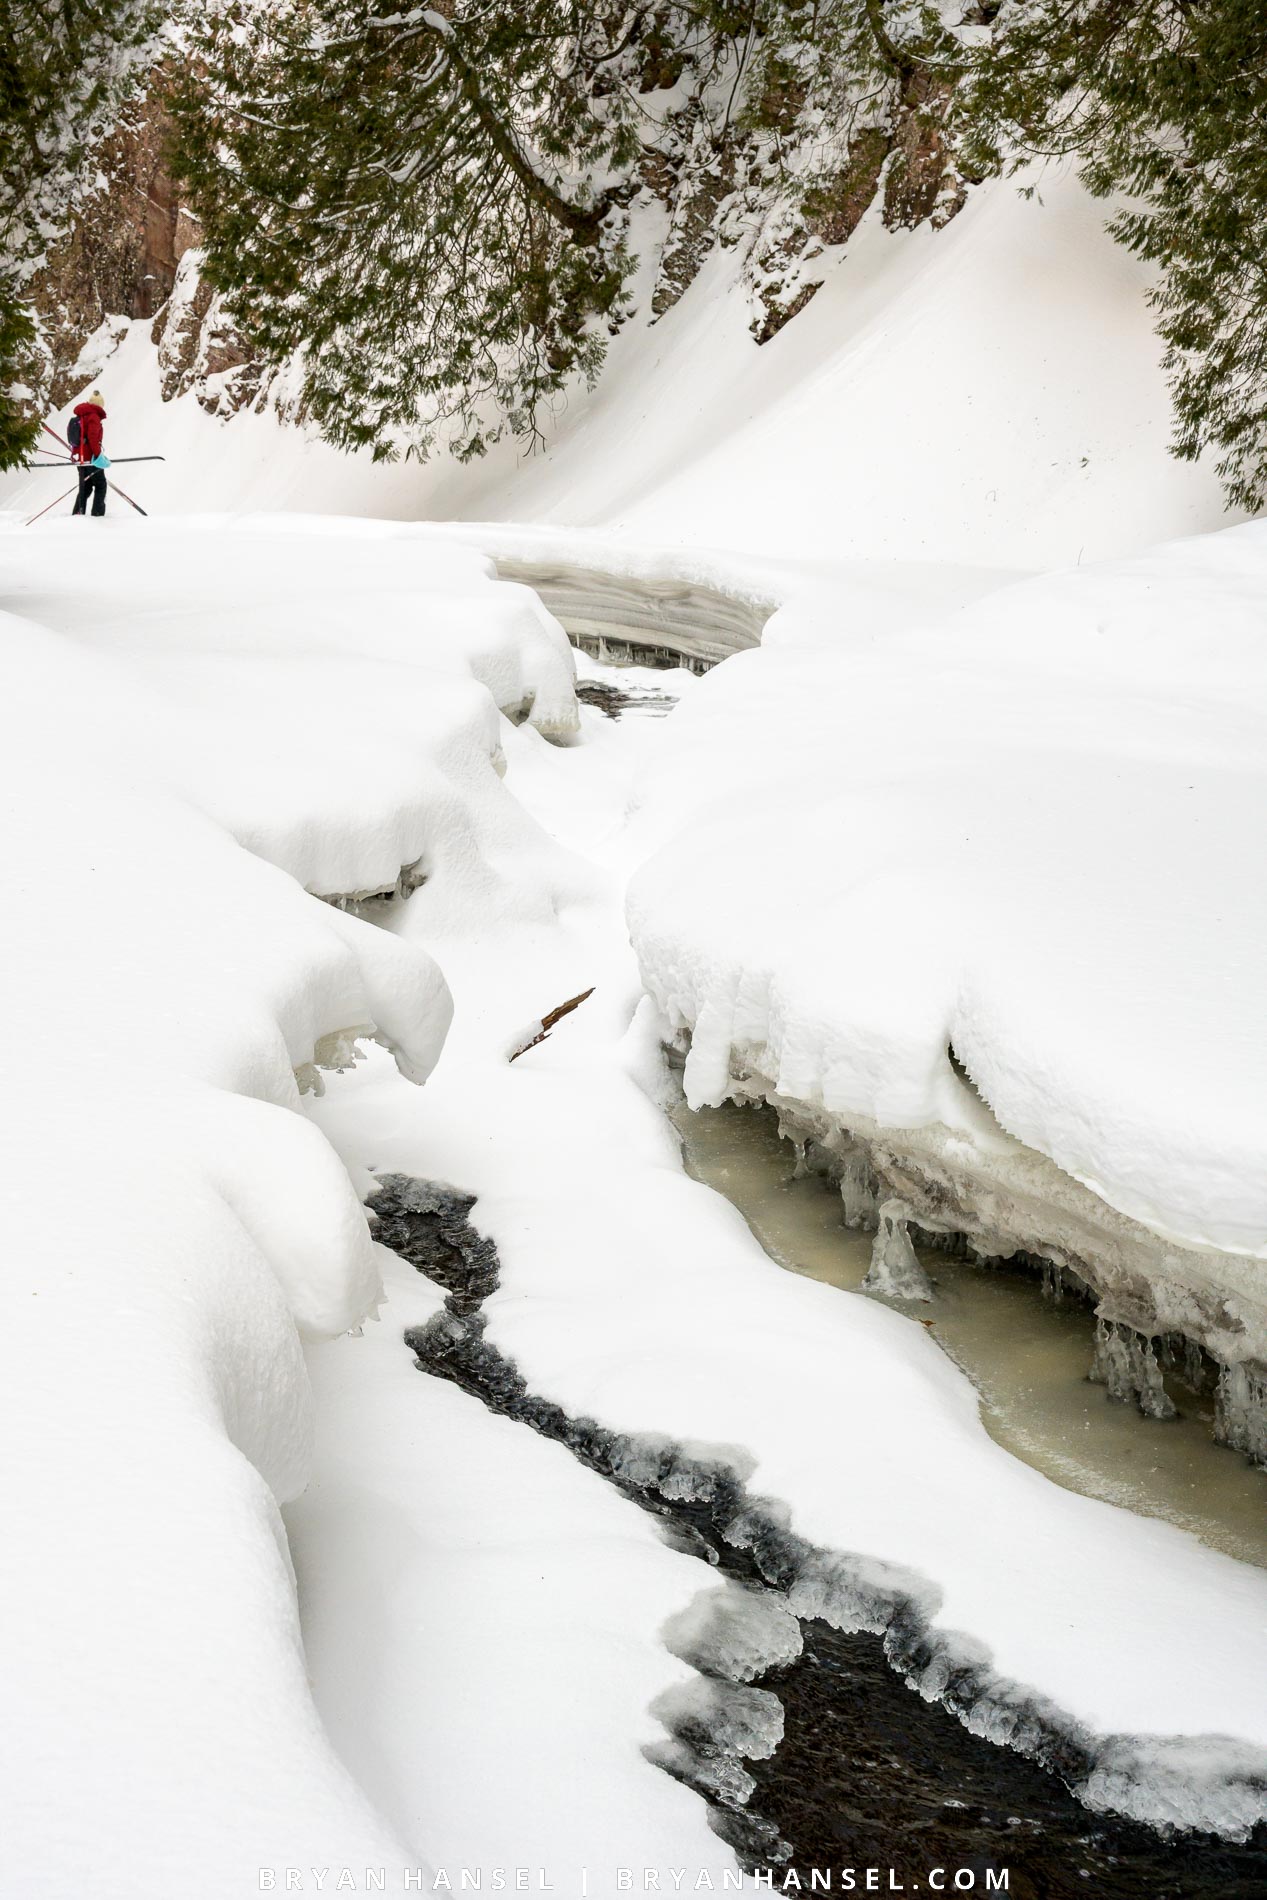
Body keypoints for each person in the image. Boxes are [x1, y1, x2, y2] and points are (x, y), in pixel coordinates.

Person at [71, 391, 108, 516]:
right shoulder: (93, 416)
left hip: (80, 458)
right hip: (91, 458)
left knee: (85, 487)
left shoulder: (81, 415)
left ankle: (78, 513)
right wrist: (99, 456)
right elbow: (93, 439)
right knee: (100, 485)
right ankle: (97, 515)